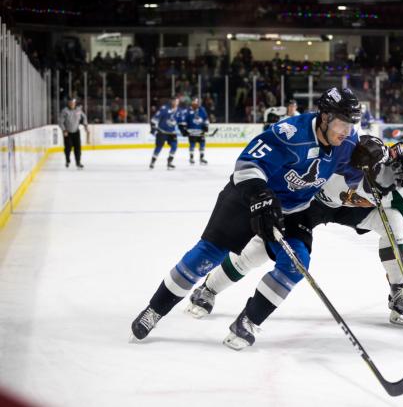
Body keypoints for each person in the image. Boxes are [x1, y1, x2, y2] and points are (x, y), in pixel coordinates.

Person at [130, 87, 364, 347]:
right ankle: (155, 309)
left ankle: (248, 322)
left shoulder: (348, 143)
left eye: (351, 124)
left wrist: (375, 168)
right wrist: (260, 196)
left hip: (294, 210)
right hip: (249, 198)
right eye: (342, 123)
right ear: (325, 116)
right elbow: (247, 164)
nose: (346, 131)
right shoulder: (291, 134)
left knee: (296, 264)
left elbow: (357, 178)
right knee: (208, 255)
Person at [186, 138, 403, 329]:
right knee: (260, 249)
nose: (391, 179)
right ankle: (209, 287)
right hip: (311, 204)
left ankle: (399, 291)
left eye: (398, 178)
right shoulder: (356, 156)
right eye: (387, 171)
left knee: (394, 221)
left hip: (350, 212)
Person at [149, 96, 181, 170]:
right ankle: (153, 161)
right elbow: (155, 118)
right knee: (159, 147)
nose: (176, 103)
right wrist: (153, 127)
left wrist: (184, 129)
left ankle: (169, 162)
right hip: (162, 131)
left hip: (172, 133)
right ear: (172, 101)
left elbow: (180, 121)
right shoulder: (164, 108)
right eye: (175, 101)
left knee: (174, 146)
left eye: (177, 102)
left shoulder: (179, 110)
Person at [180, 97, 210, 165]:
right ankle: (191, 158)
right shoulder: (188, 110)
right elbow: (184, 120)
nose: (196, 104)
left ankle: (201, 158)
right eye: (194, 102)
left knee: (202, 144)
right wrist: (184, 128)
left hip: (200, 131)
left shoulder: (202, 109)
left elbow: (206, 119)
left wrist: (206, 126)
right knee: (192, 145)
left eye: (197, 103)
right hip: (191, 131)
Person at [59, 98, 87, 169]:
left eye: (73, 103)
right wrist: (64, 130)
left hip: (76, 132)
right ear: (68, 103)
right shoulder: (65, 111)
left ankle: (78, 162)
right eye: (70, 103)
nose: (72, 104)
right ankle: (67, 160)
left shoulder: (78, 110)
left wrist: (85, 124)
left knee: (78, 148)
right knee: (68, 148)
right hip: (67, 132)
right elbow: (60, 121)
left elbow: (84, 117)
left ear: (75, 103)